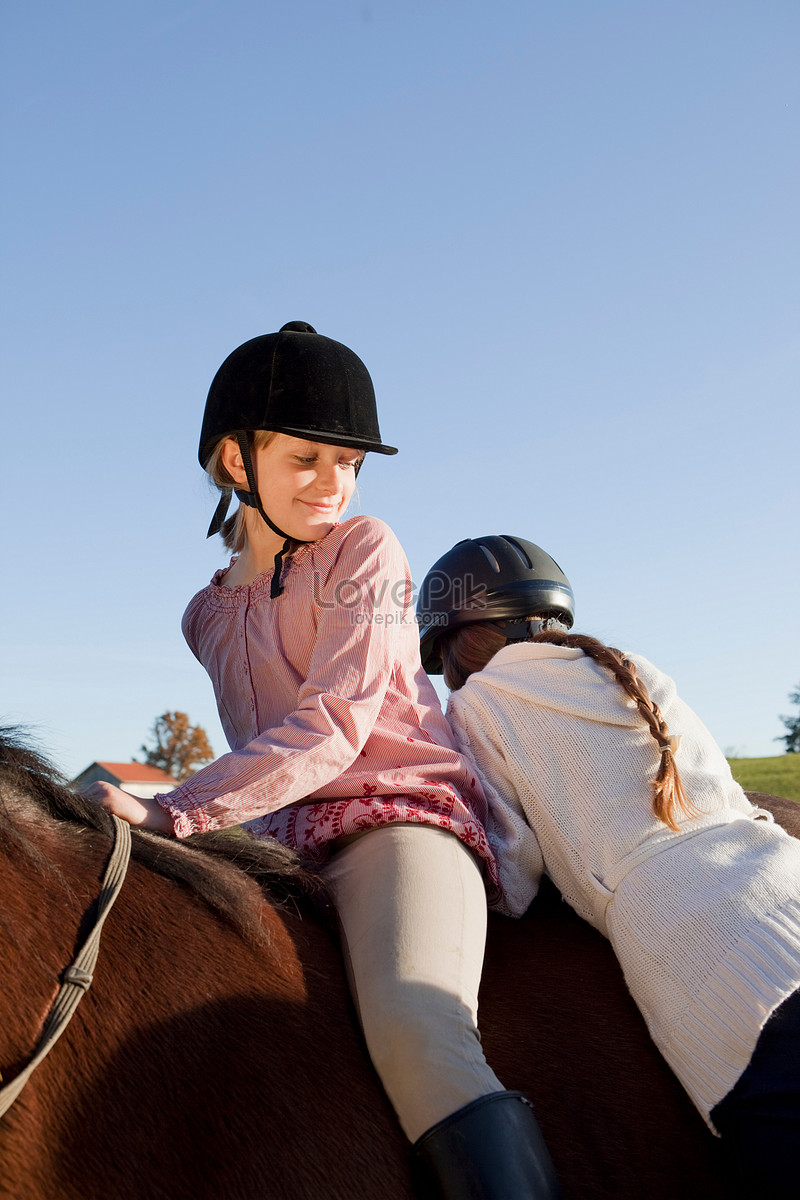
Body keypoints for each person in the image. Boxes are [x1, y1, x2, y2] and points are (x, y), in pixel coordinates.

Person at [84, 325, 561, 1200]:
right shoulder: (204, 613)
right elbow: (256, 746)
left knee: (421, 1027)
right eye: (306, 459)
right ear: (236, 460)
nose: (333, 485)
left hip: (397, 816)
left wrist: (174, 811)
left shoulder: (365, 551)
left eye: (348, 463)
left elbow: (335, 726)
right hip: (278, 834)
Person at [416, 533, 800, 1199]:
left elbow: (511, 875)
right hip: (781, 873)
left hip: (706, 950)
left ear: (455, 641)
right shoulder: (630, 666)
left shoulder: (477, 705)